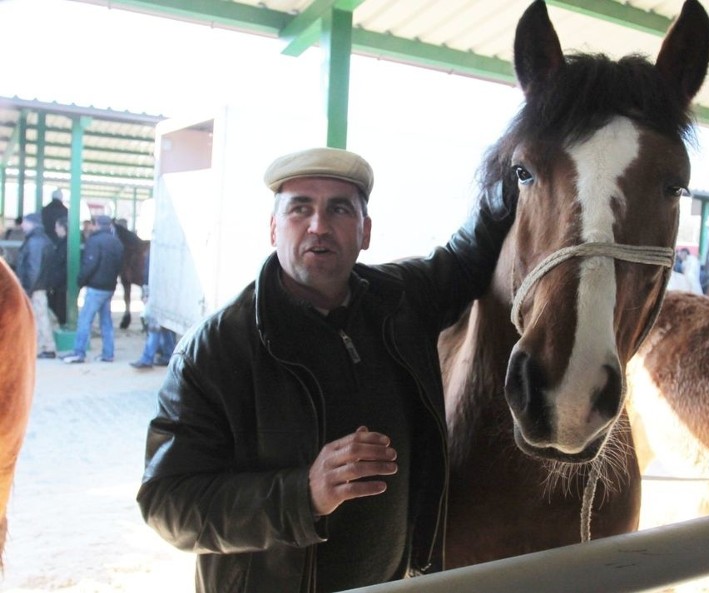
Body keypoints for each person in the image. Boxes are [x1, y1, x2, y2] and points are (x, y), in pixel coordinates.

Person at [136, 147, 516, 593]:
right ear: (274, 228)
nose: (319, 226)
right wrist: (304, 494)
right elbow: (167, 504)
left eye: (339, 209)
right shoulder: (218, 349)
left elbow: (462, 259)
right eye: (300, 208)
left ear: (365, 231)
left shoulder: (400, 301)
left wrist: (520, 171)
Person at [62, 215, 124, 364]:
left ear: (96, 225)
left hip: (96, 288)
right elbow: (119, 265)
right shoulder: (117, 242)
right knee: (106, 322)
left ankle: (79, 352)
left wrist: (80, 281)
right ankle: (108, 354)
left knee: (84, 320)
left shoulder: (95, 241)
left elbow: (90, 264)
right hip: (109, 287)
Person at [14, 212, 58, 359]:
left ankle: (47, 347)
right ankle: (41, 347)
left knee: (40, 317)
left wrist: (27, 289)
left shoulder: (35, 242)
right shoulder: (39, 239)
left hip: (34, 288)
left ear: (32, 223)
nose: (22, 225)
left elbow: (34, 268)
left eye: (25, 222)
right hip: (38, 286)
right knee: (39, 316)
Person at [129, 284, 176, 369]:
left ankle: (147, 359)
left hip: (157, 296)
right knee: (165, 329)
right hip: (166, 295)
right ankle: (169, 355)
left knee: (154, 329)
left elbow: (148, 279)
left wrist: (146, 295)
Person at [46, 216, 69, 326]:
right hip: (60, 284)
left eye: (57, 227)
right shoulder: (62, 243)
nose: (55, 230)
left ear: (63, 228)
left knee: (61, 311)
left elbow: (63, 267)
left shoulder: (65, 245)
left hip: (61, 286)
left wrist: (53, 283)